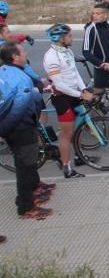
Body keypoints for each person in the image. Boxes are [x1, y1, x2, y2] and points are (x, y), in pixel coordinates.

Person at [0, 42, 53, 219]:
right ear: (15, 57)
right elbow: (20, 108)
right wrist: (7, 129)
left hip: (12, 128)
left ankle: (32, 192)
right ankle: (25, 207)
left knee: (27, 163)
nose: (26, 53)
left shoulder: (4, 70)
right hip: (21, 129)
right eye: (22, 51)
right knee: (25, 166)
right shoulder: (21, 78)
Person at [42, 24, 95, 178]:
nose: (72, 38)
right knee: (67, 133)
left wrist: (83, 89)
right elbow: (59, 84)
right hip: (62, 98)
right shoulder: (51, 57)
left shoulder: (67, 51)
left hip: (74, 94)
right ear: (60, 38)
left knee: (78, 127)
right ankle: (67, 167)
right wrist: (80, 94)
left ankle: (79, 157)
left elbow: (74, 73)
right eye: (70, 36)